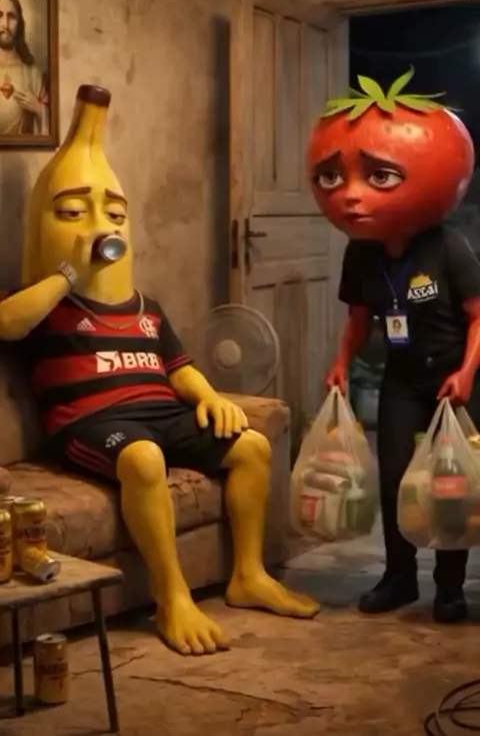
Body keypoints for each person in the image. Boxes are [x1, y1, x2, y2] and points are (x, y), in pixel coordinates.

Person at [0, 84, 319, 657]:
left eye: (115, 215)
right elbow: (7, 323)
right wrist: (69, 273)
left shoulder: (146, 307)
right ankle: (172, 597)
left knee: (251, 446)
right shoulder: (45, 304)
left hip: (162, 414)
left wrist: (211, 396)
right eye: (72, 212)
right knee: (144, 458)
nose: (103, 226)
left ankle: (248, 575)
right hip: (92, 424)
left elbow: (181, 368)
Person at [306, 68, 480, 623]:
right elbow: (359, 318)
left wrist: (467, 373)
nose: (353, 197)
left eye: (378, 175)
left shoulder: (448, 247)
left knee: (450, 485)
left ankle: (449, 587)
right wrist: (341, 362)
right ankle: (399, 577)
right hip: (402, 378)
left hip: (453, 377)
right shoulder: (361, 253)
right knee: (394, 479)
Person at [0, 0, 49, 135]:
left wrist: (39, 109)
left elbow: (49, 133)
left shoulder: (33, 74)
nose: (5, 24)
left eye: (11, 17)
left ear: (19, 24)